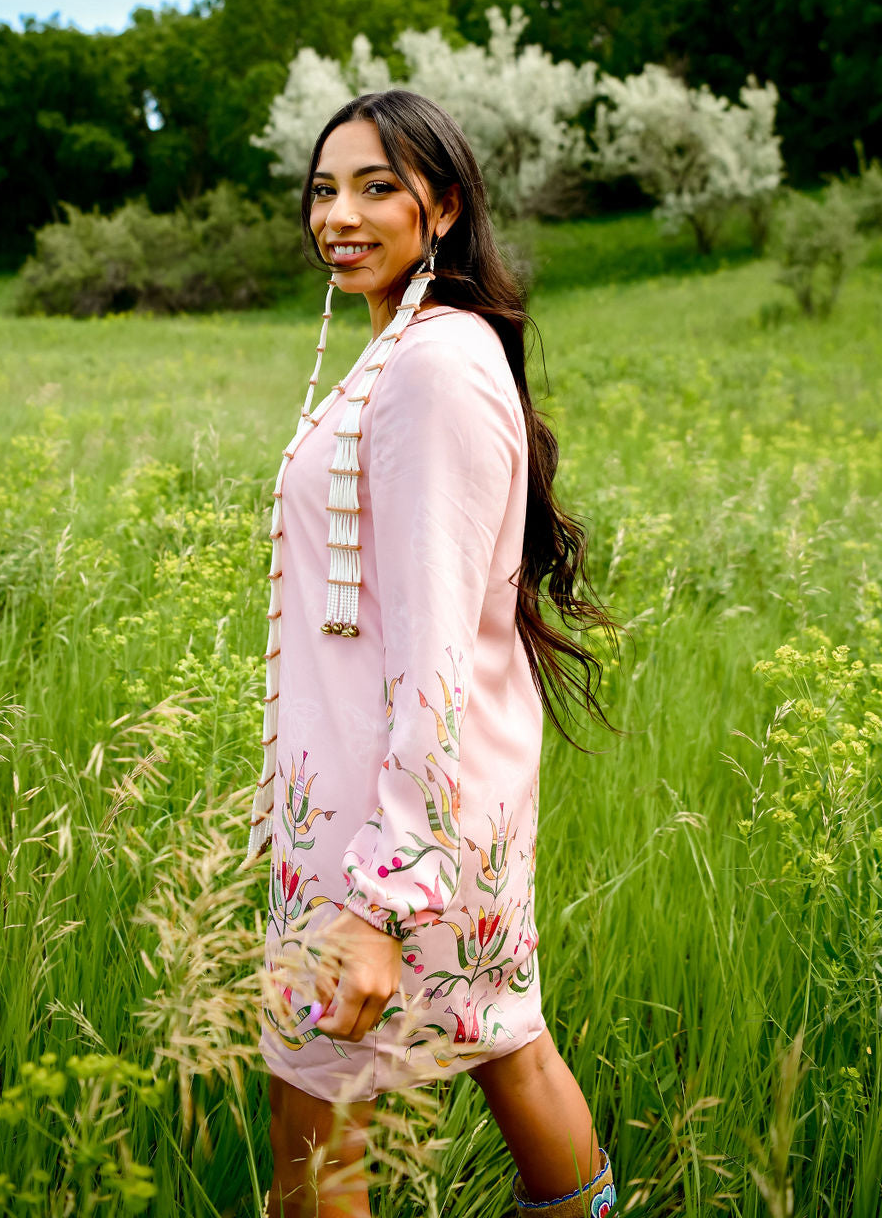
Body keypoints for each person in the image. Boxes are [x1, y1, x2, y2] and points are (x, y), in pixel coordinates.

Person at [243, 90, 618, 1218]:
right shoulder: (411, 353)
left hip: (388, 822)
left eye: (375, 187)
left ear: (443, 207)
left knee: (317, 1137)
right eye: (323, 189)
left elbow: (436, 651)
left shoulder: (432, 367)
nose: (338, 215)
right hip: (431, 803)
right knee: (508, 1041)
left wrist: (377, 892)